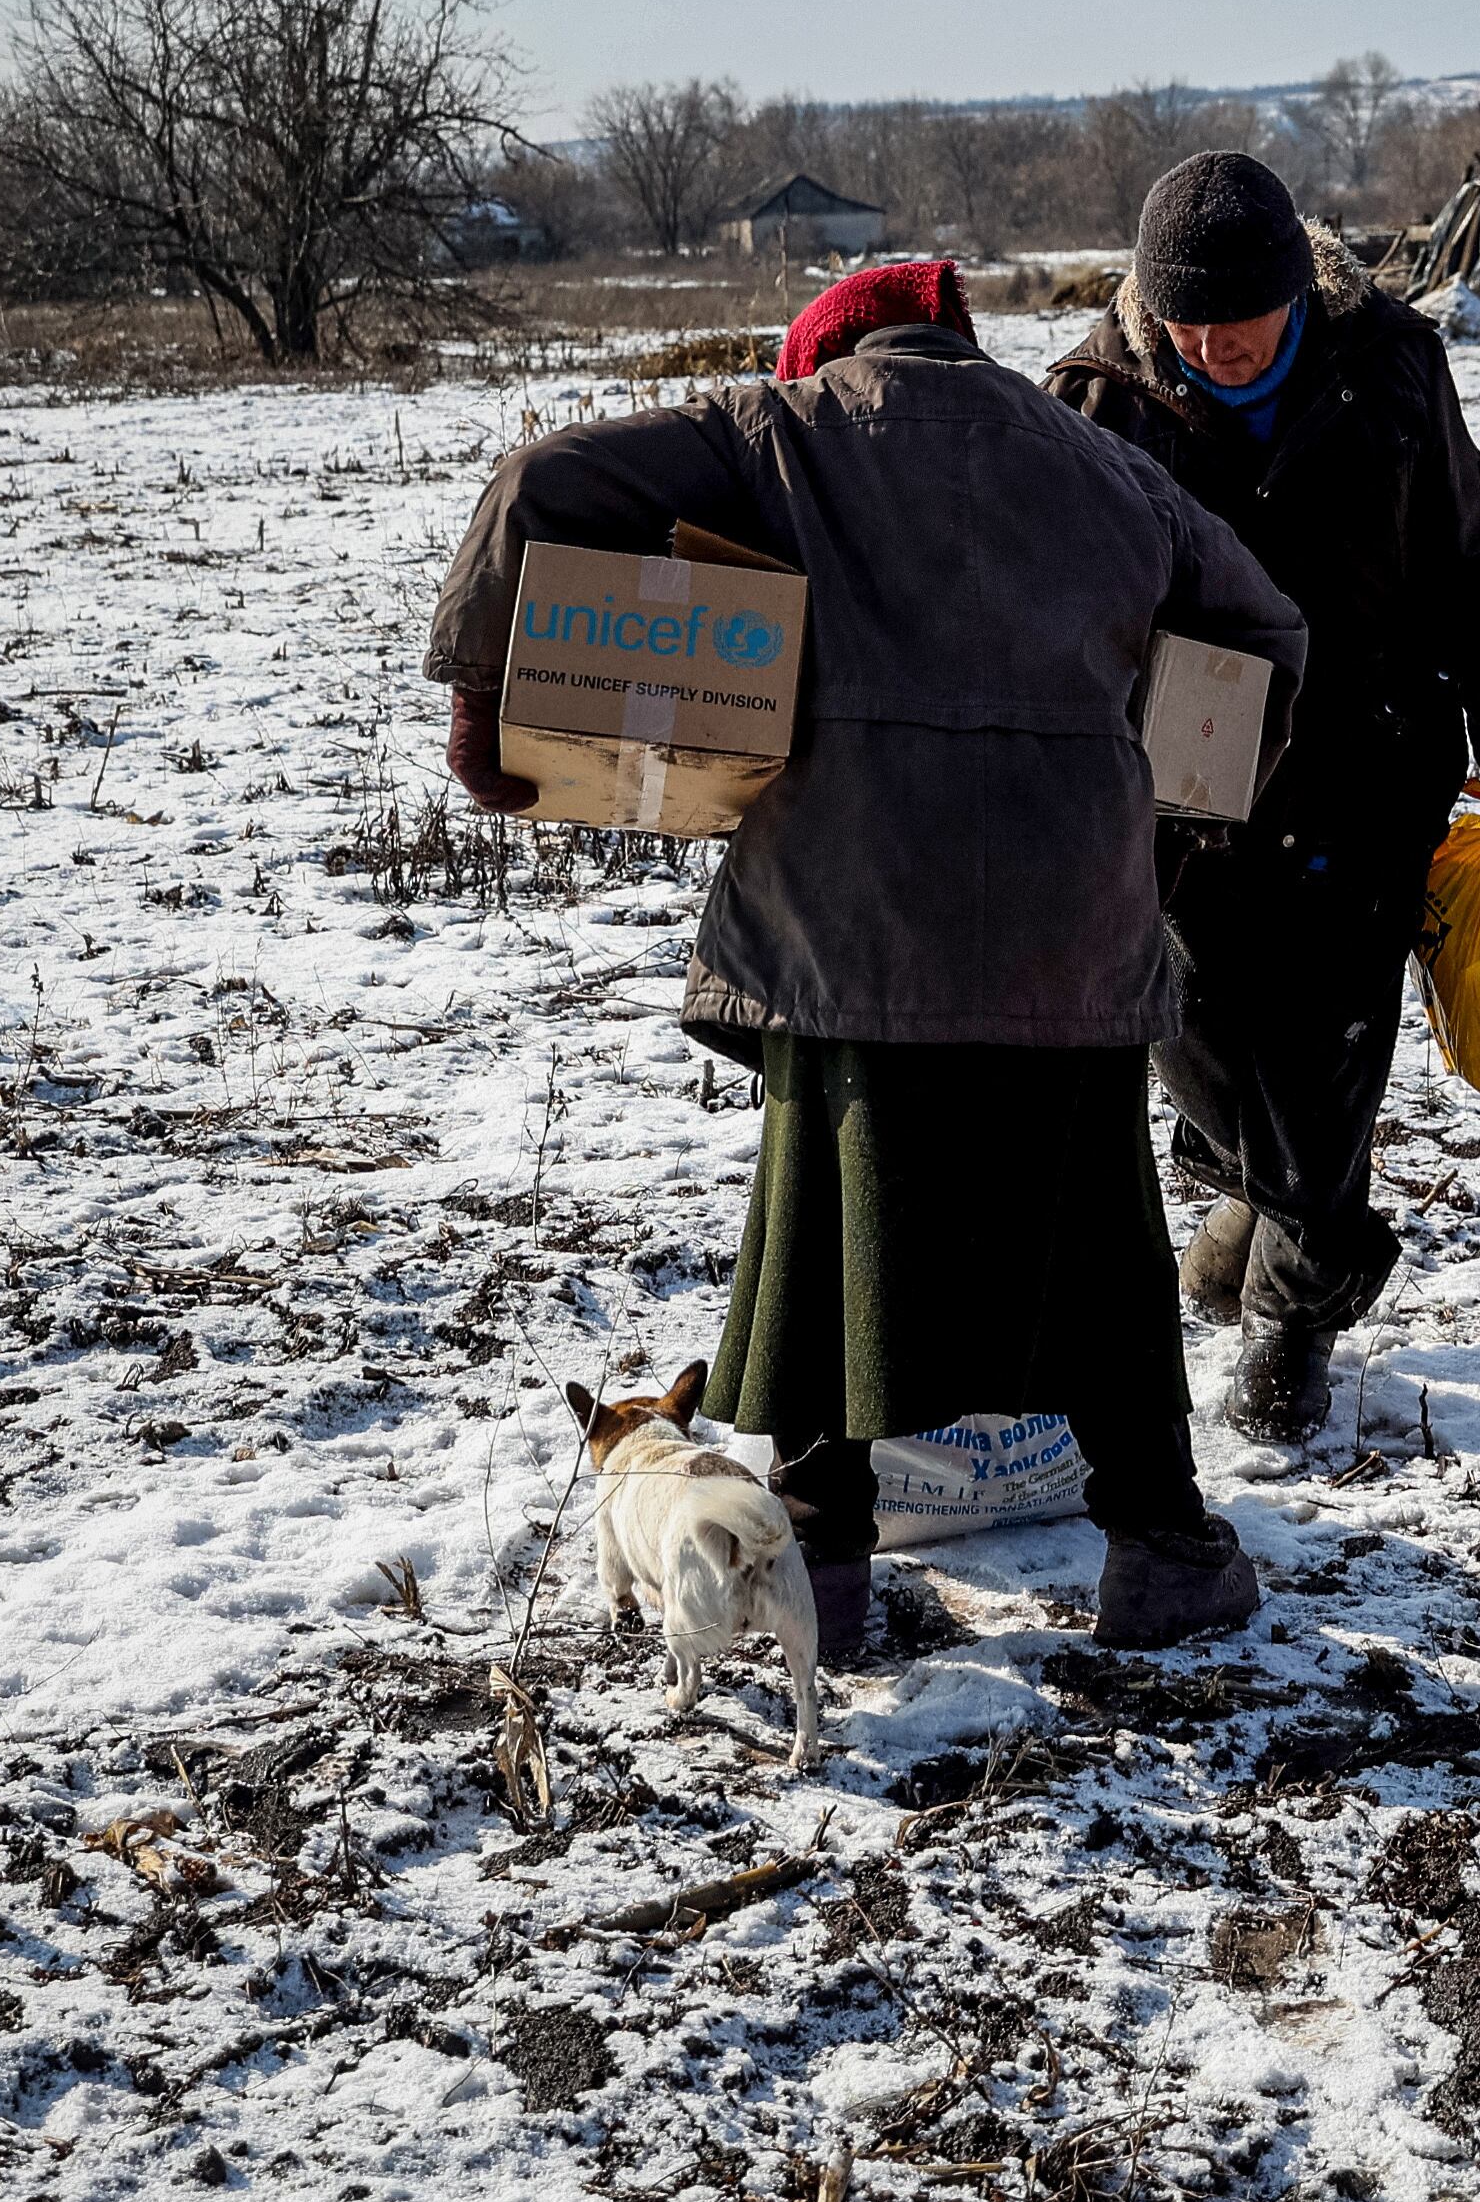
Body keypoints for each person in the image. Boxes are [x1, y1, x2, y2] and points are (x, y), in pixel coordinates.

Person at [425, 262, 1309, 1656]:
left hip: (848, 925)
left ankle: (822, 1573)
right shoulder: (1099, 464)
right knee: (1097, 1247)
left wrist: (487, 703)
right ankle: (1164, 1553)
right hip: (1067, 931)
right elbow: (1263, 629)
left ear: (827, 351)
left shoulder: (776, 435)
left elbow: (540, 480)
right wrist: (1169, 830)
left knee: (834, 1243)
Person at [1046, 152, 1480, 1444]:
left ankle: (1293, 1316)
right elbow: (1060, 616)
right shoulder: (1094, 402)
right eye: (1189, 326)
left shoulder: (1388, 363)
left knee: (1330, 1059)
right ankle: (1248, 1197)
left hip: (1363, 767)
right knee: (1194, 1034)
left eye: (1243, 322)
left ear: (1298, 295)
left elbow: (1465, 551)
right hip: (1183, 798)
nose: (1216, 348)